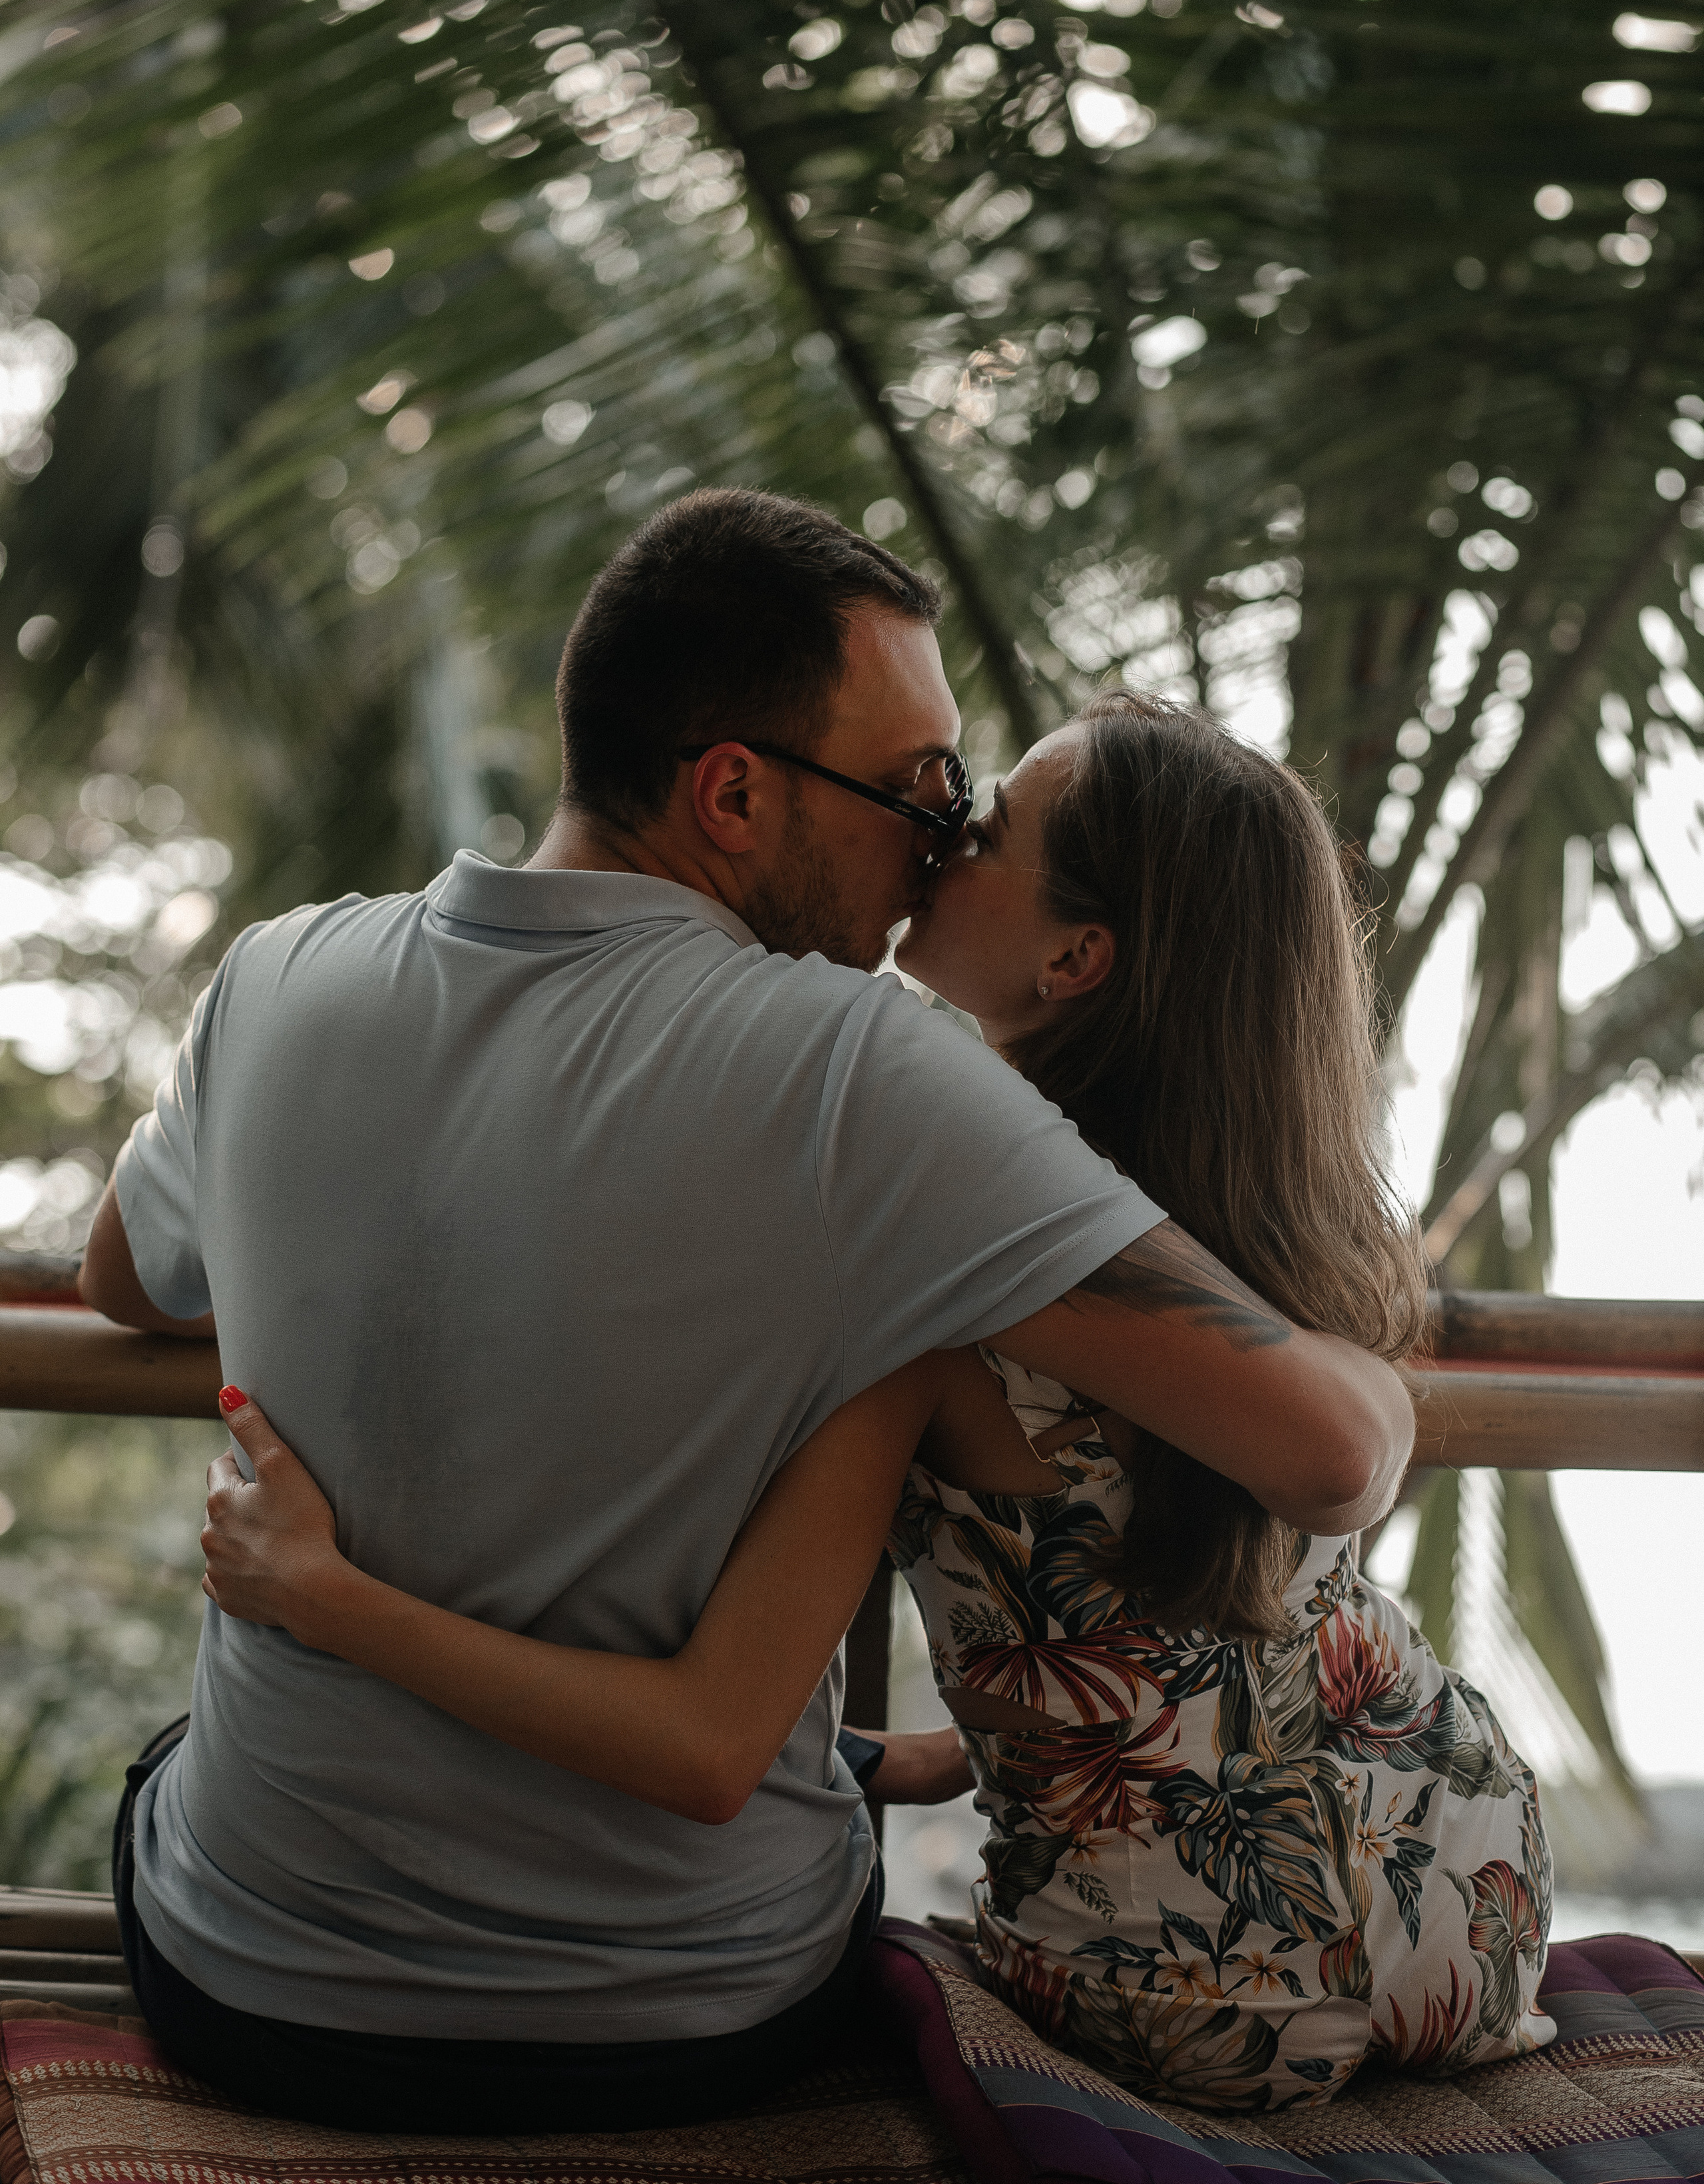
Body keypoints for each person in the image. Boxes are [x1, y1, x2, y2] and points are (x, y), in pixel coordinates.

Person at [83, 491, 1413, 2131]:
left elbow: (122, 1281)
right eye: (925, 794)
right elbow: (1336, 1460)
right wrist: (1378, 1340)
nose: (938, 844)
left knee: (175, 1764)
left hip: (248, 1991)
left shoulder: (275, 975)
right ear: (730, 792)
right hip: (687, 2019)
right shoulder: (862, 1074)